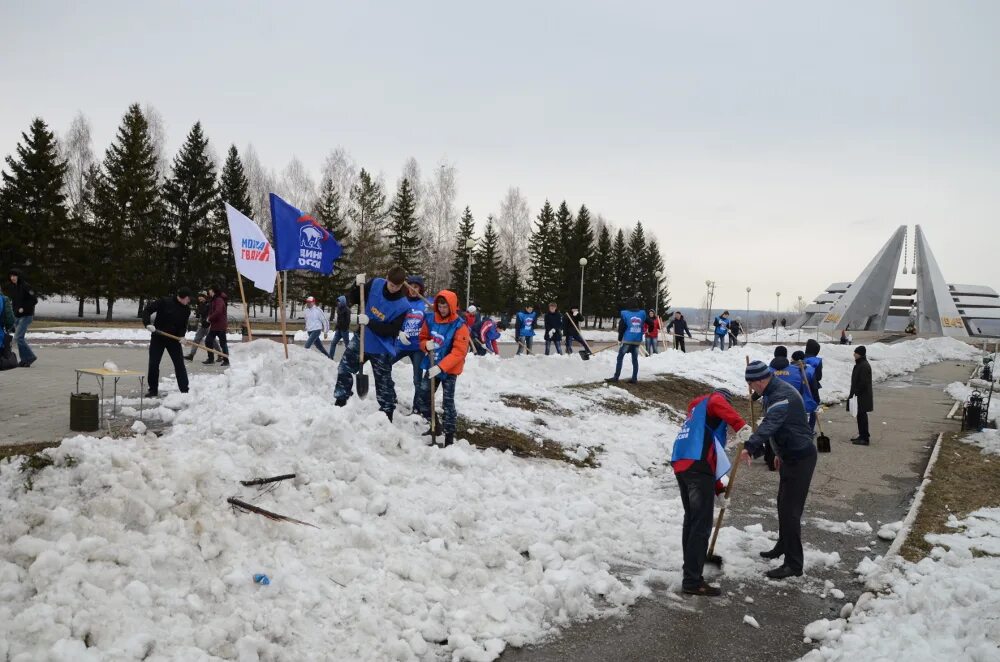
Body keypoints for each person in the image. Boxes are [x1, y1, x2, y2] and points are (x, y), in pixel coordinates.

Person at [740, 360, 818, 579]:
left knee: (790, 512)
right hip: (789, 456)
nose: (751, 389)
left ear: (760, 381)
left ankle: (794, 565)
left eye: (751, 385)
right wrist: (777, 454)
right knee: (782, 504)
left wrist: (750, 447)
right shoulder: (772, 392)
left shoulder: (781, 395)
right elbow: (780, 427)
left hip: (800, 457)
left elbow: (770, 425)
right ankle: (783, 546)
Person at [671, 388, 751, 596]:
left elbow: (710, 456)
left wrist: (719, 490)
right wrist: (740, 425)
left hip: (684, 466)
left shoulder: (696, 416)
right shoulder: (713, 400)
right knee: (700, 525)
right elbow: (718, 402)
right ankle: (692, 581)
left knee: (692, 521)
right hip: (697, 468)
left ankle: (690, 569)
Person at [334, 267, 412, 420]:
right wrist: (356, 285)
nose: (393, 288)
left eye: (397, 286)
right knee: (344, 368)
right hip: (361, 338)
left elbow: (392, 330)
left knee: (383, 381)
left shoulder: (403, 305)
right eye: (391, 284)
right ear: (386, 277)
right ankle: (340, 401)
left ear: (402, 284)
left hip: (381, 347)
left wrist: (370, 322)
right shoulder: (375, 284)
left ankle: (387, 412)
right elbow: (355, 298)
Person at [418, 289, 470, 447]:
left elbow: (459, 352)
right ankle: (435, 425)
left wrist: (441, 367)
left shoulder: (460, 326)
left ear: (452, 306)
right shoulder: (430, 319)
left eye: (445, 307)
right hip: (432, 364)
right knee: (423, 398)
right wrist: (425, 345)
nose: (442, 310)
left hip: (449, 369)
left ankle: (449, 437)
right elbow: (422, 337)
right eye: (439, 306)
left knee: (447, 403)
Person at [142, 287, 193, 397]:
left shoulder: (186, 310)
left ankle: (184, 390)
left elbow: (183, 326)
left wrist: (182, 336)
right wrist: (147, 324)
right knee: (154, 364)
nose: (189, 301)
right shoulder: (164, 302)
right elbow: (147, 310)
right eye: (188, 299)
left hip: (173, 340)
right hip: (158, 337)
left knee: (179, 364)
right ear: (183, 297)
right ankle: (153, 390)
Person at [395, 277, 430, 414]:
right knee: (384, 365)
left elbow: (433, 322)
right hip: (401, 344)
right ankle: (390, 395)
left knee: (417, 379)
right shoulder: (402, 303)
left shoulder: (426, 305)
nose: (414, 289)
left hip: (417, 348)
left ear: (421, 289)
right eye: (411, 286)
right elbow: (394, 320)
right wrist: (399, 332)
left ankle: (417, 407)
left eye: (417, 287)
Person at [7, 268, 38, 368]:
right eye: (11, 276)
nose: (12, 278)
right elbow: (14, 302)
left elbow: (34, 300)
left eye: (14, 276)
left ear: (18, 276)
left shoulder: (26, 286)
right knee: (20, 339)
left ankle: (30, 357)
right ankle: (25, 360)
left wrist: (23, 308)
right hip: (17, 316)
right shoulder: (12, 287)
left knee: (18, 338)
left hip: (27, 315)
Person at [611, 300, 645, 383]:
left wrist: (619, 339)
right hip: (637, 341)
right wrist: (650, 329)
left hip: (627, 341)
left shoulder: (626, 314)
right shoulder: (641, 314)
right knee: (634, 360)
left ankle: (616, 377)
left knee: (620, 357)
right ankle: (634, 378)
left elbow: (621, 328)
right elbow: (650, 322)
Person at [849, 346, 873, 445]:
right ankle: (862, 435)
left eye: (856, 353)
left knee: (862, 416)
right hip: (860, 395)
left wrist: (856, 392)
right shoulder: (860, 364)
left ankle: (865, 438)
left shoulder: (864, 365)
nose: (854, 354)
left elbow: (863, 382)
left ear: (860, 354)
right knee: (860, 416)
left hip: (862, 396)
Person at [185, 293, 219, 362]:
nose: (200, 299)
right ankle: (191, 355)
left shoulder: (209, 304)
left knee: (212, 341)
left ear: (205, 297)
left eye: (201, 298)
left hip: (208, 325)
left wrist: (208, 320)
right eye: (199, 298)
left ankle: (220, 354)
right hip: (202, 325)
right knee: (196, 339)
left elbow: (210, 313)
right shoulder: (200, 304)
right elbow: (199, 314)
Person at [203, 285, 230, 367]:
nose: (209, 292)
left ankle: (226, 360)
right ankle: (211, 359)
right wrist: (208, 319)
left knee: (223, 343)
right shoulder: (213, 300)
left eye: (210, 290)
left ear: (213, 291)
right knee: (208, 341)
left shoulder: (219, 300)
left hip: (220, 325)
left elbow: (218, 311)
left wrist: (209, 318)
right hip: (214, 325)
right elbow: (212, 311)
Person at [803, 339, 824, 429]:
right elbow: (819, 377)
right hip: (813, 387)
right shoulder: (817, 361)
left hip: (801, 386)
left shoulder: (800, 358)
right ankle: (810, 428)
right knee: (812, 406)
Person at [331, 295, 352, 359]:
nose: (338, 303)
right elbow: (338, 319)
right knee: (333, 343)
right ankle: (330, 357)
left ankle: (350, 358)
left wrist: (344, 328)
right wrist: (336, 326)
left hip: (344, 330)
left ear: (343, 301)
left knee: (347, 345)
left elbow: (348, 321)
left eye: (339, 302)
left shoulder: (347, 310)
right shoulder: (338, 309)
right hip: (338, 330)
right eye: (337, 302)